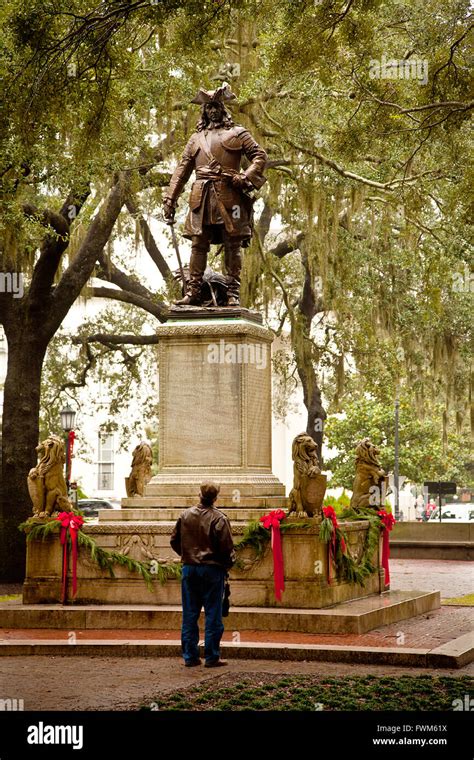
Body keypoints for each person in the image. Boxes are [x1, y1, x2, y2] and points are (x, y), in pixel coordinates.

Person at [163, 82, 267, 307]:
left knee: (233, 244)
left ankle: (232, 293)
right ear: (204, 111)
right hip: (201, 196)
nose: (212, 111)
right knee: (198, 244)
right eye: (208, 107)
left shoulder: (238, 133)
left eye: (216, 107)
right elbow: (182, 170)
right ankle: (193, 292)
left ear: (223, 109)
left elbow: (259, 155)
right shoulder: (195, 139)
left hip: (230, 195)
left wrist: (245, 176)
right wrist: (170, 198)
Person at [170, 482, 235, 668]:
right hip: (212, 570)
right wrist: (226, 565)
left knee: (190, 613)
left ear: (199, 494)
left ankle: (190, 656)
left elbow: (174, 541)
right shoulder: (220, 519)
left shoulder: (185, 515)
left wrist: (187, 555)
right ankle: (212, 656)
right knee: (213, 613)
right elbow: (227, 549)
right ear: (216, 497)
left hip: (190, 569)